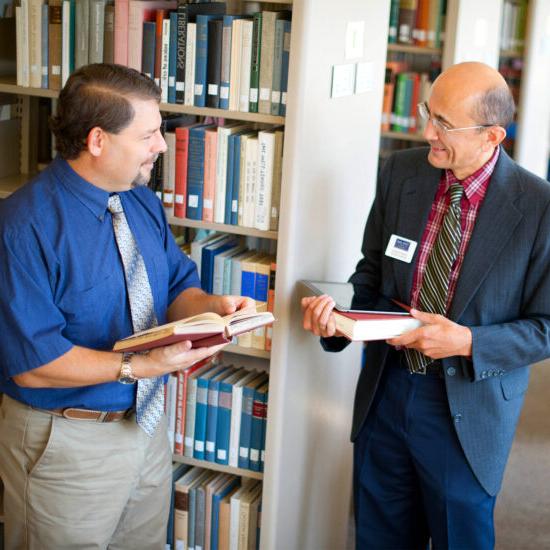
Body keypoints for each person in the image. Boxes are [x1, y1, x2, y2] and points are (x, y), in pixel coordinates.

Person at [0, 63, 254, 549]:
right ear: (98, 141)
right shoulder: (23, 228)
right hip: (65, 442)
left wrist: (213, 308)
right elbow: (35, 365)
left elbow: (177, 286)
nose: (161, 145)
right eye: (149, 134)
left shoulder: (138, 202)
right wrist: (141, 366)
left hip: (144, 431)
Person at [302, 61, 550, 549]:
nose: (426, 130)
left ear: (492, 136)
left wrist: (467, 341)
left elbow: (546, 327)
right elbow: (371, 273)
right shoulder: (401, 172)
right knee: (380, 537)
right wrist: (339, 320)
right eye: (427, 112)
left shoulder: (539, 208)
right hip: (387, 391)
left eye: (444, 123)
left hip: (466, 408)